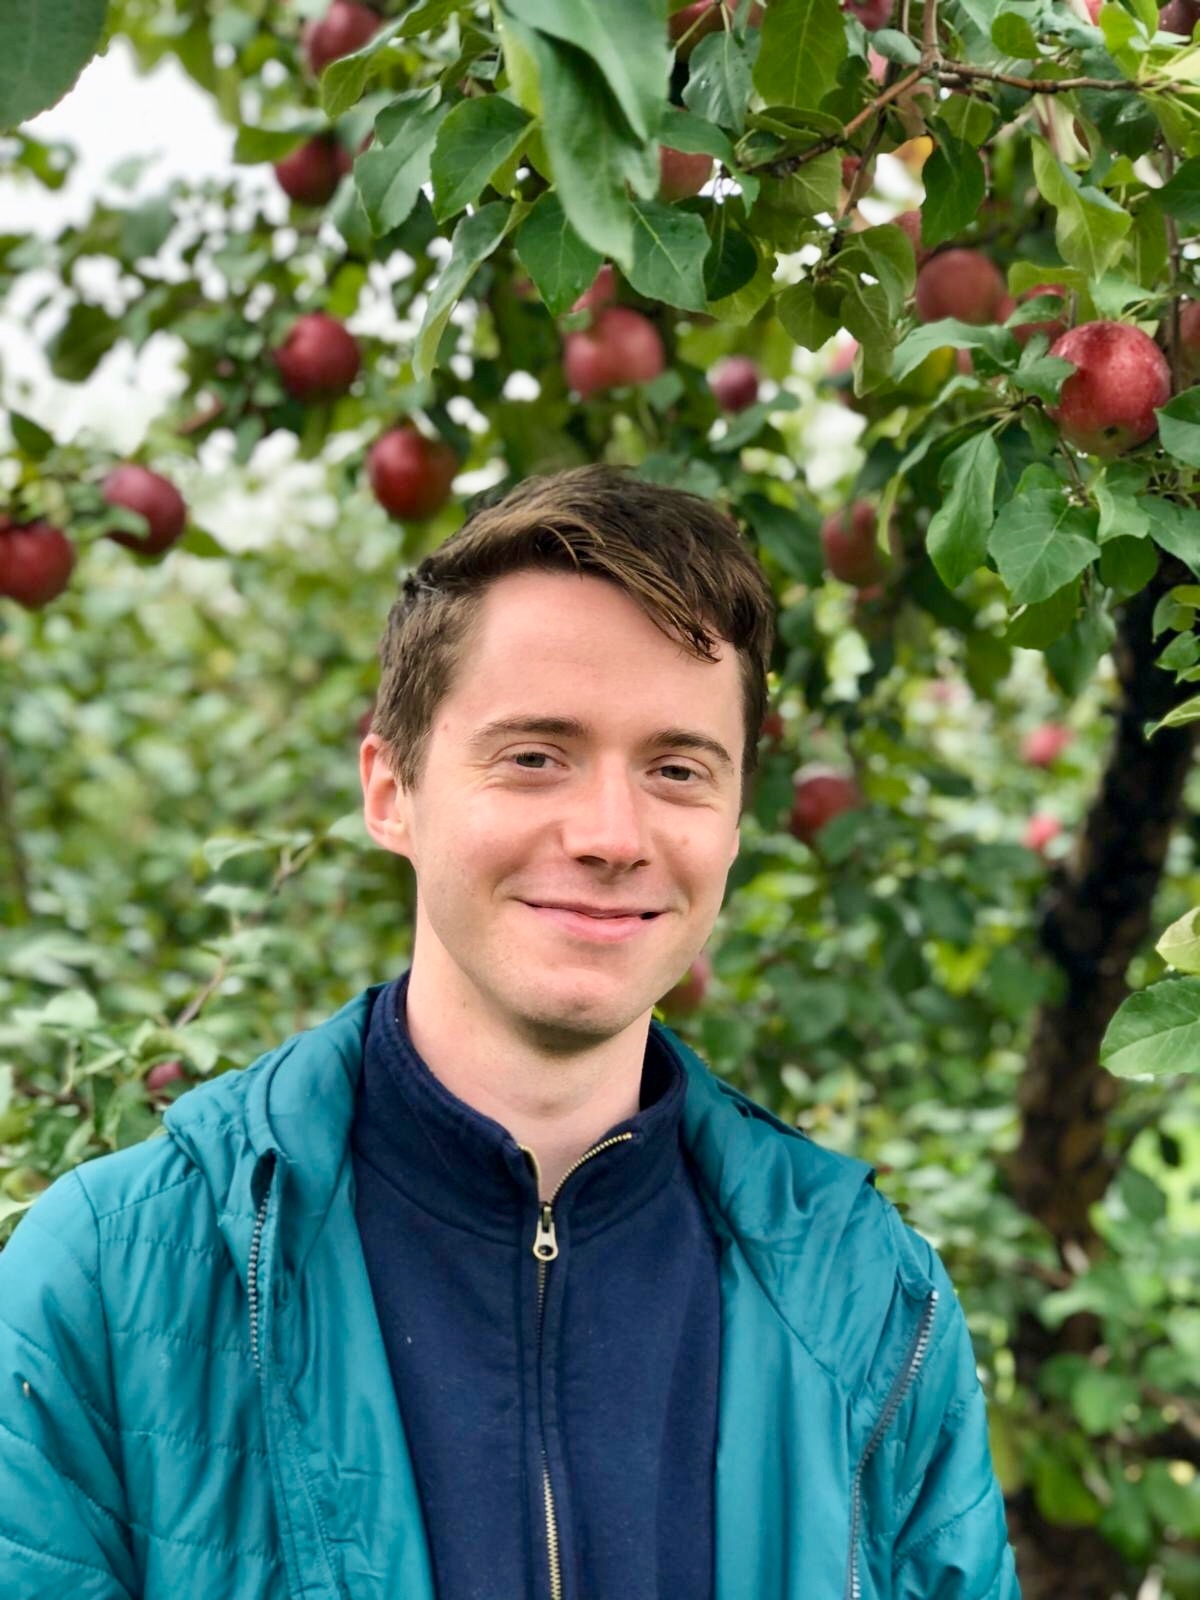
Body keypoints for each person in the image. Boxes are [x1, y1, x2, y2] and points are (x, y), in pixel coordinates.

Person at [0, 465, 1019, 1599]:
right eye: (536, 755)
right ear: (392, 790)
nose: (610, 833)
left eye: (678, 769)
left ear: (733, 822)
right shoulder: (110, 1280)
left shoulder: (873, 1298)